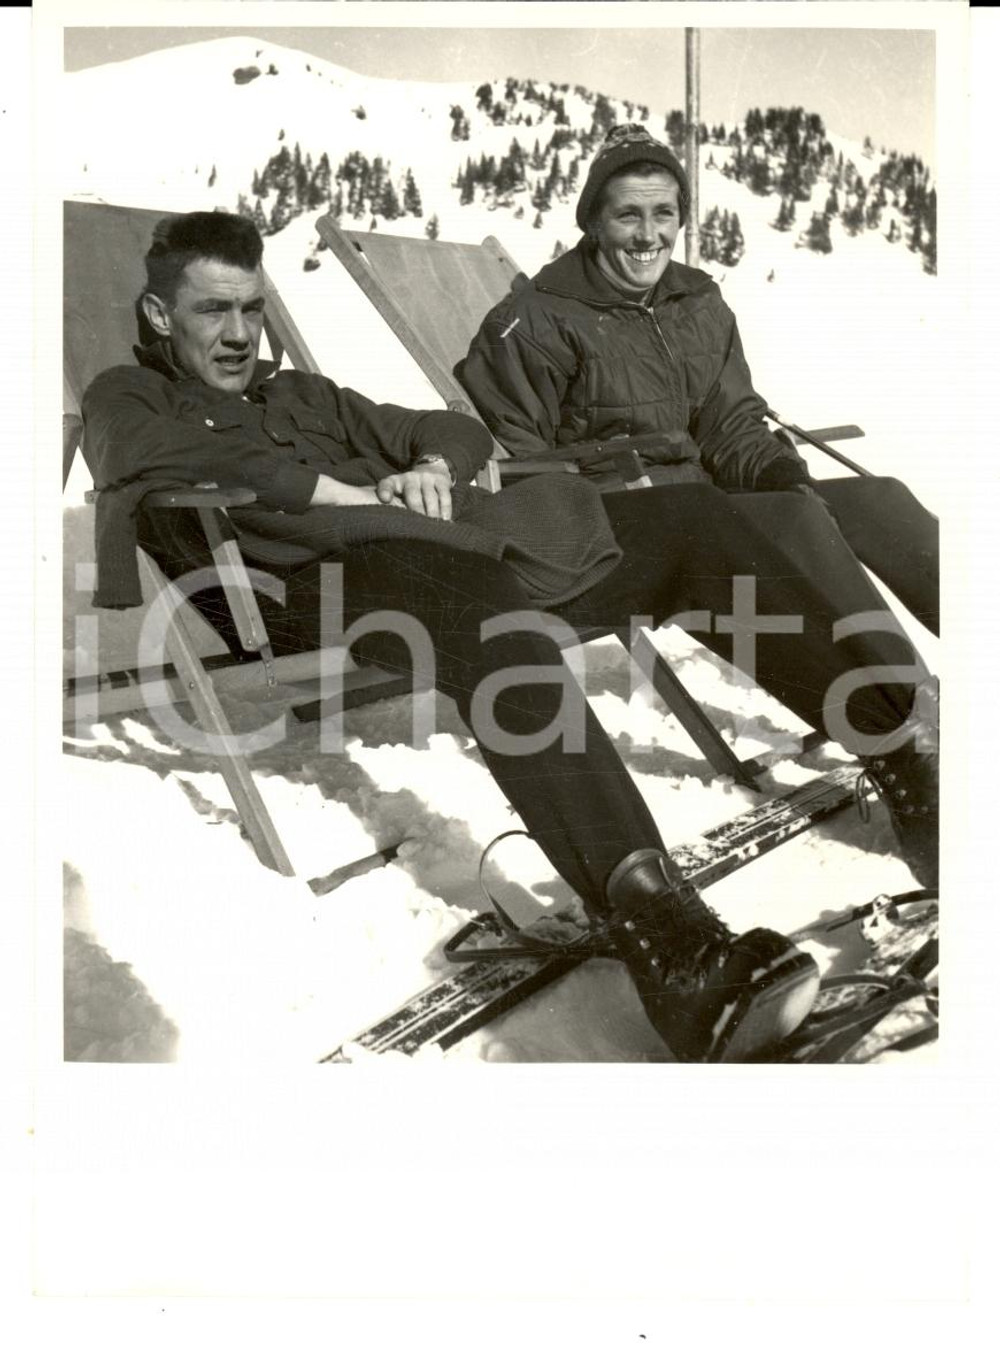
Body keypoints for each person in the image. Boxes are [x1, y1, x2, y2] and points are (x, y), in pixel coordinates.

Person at [82, 210, 929, 1064]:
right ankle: (669, 939)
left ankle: (902, 758)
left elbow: (449, 429)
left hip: (431, 550)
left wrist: (431, 469)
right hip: (301, 587)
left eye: (251, 308)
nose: (239, 333)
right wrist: (346, 495)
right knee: (475, 593)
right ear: (159, 315)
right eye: (213, 310)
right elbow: (156, 453)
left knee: (694, 519)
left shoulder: (301, 394)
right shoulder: (127, 394)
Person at [459, 122, 939, 639]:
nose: (649, 235)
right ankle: (891, 687)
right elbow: (519, 462)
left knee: (879, 501)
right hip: (620, 530)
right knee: (796, 522)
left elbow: (730, 424)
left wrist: (780, 474)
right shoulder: (535, 319)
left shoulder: (697, 301)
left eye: (664, 213)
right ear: (594, 222)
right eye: (628, 214)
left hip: (708, 503)